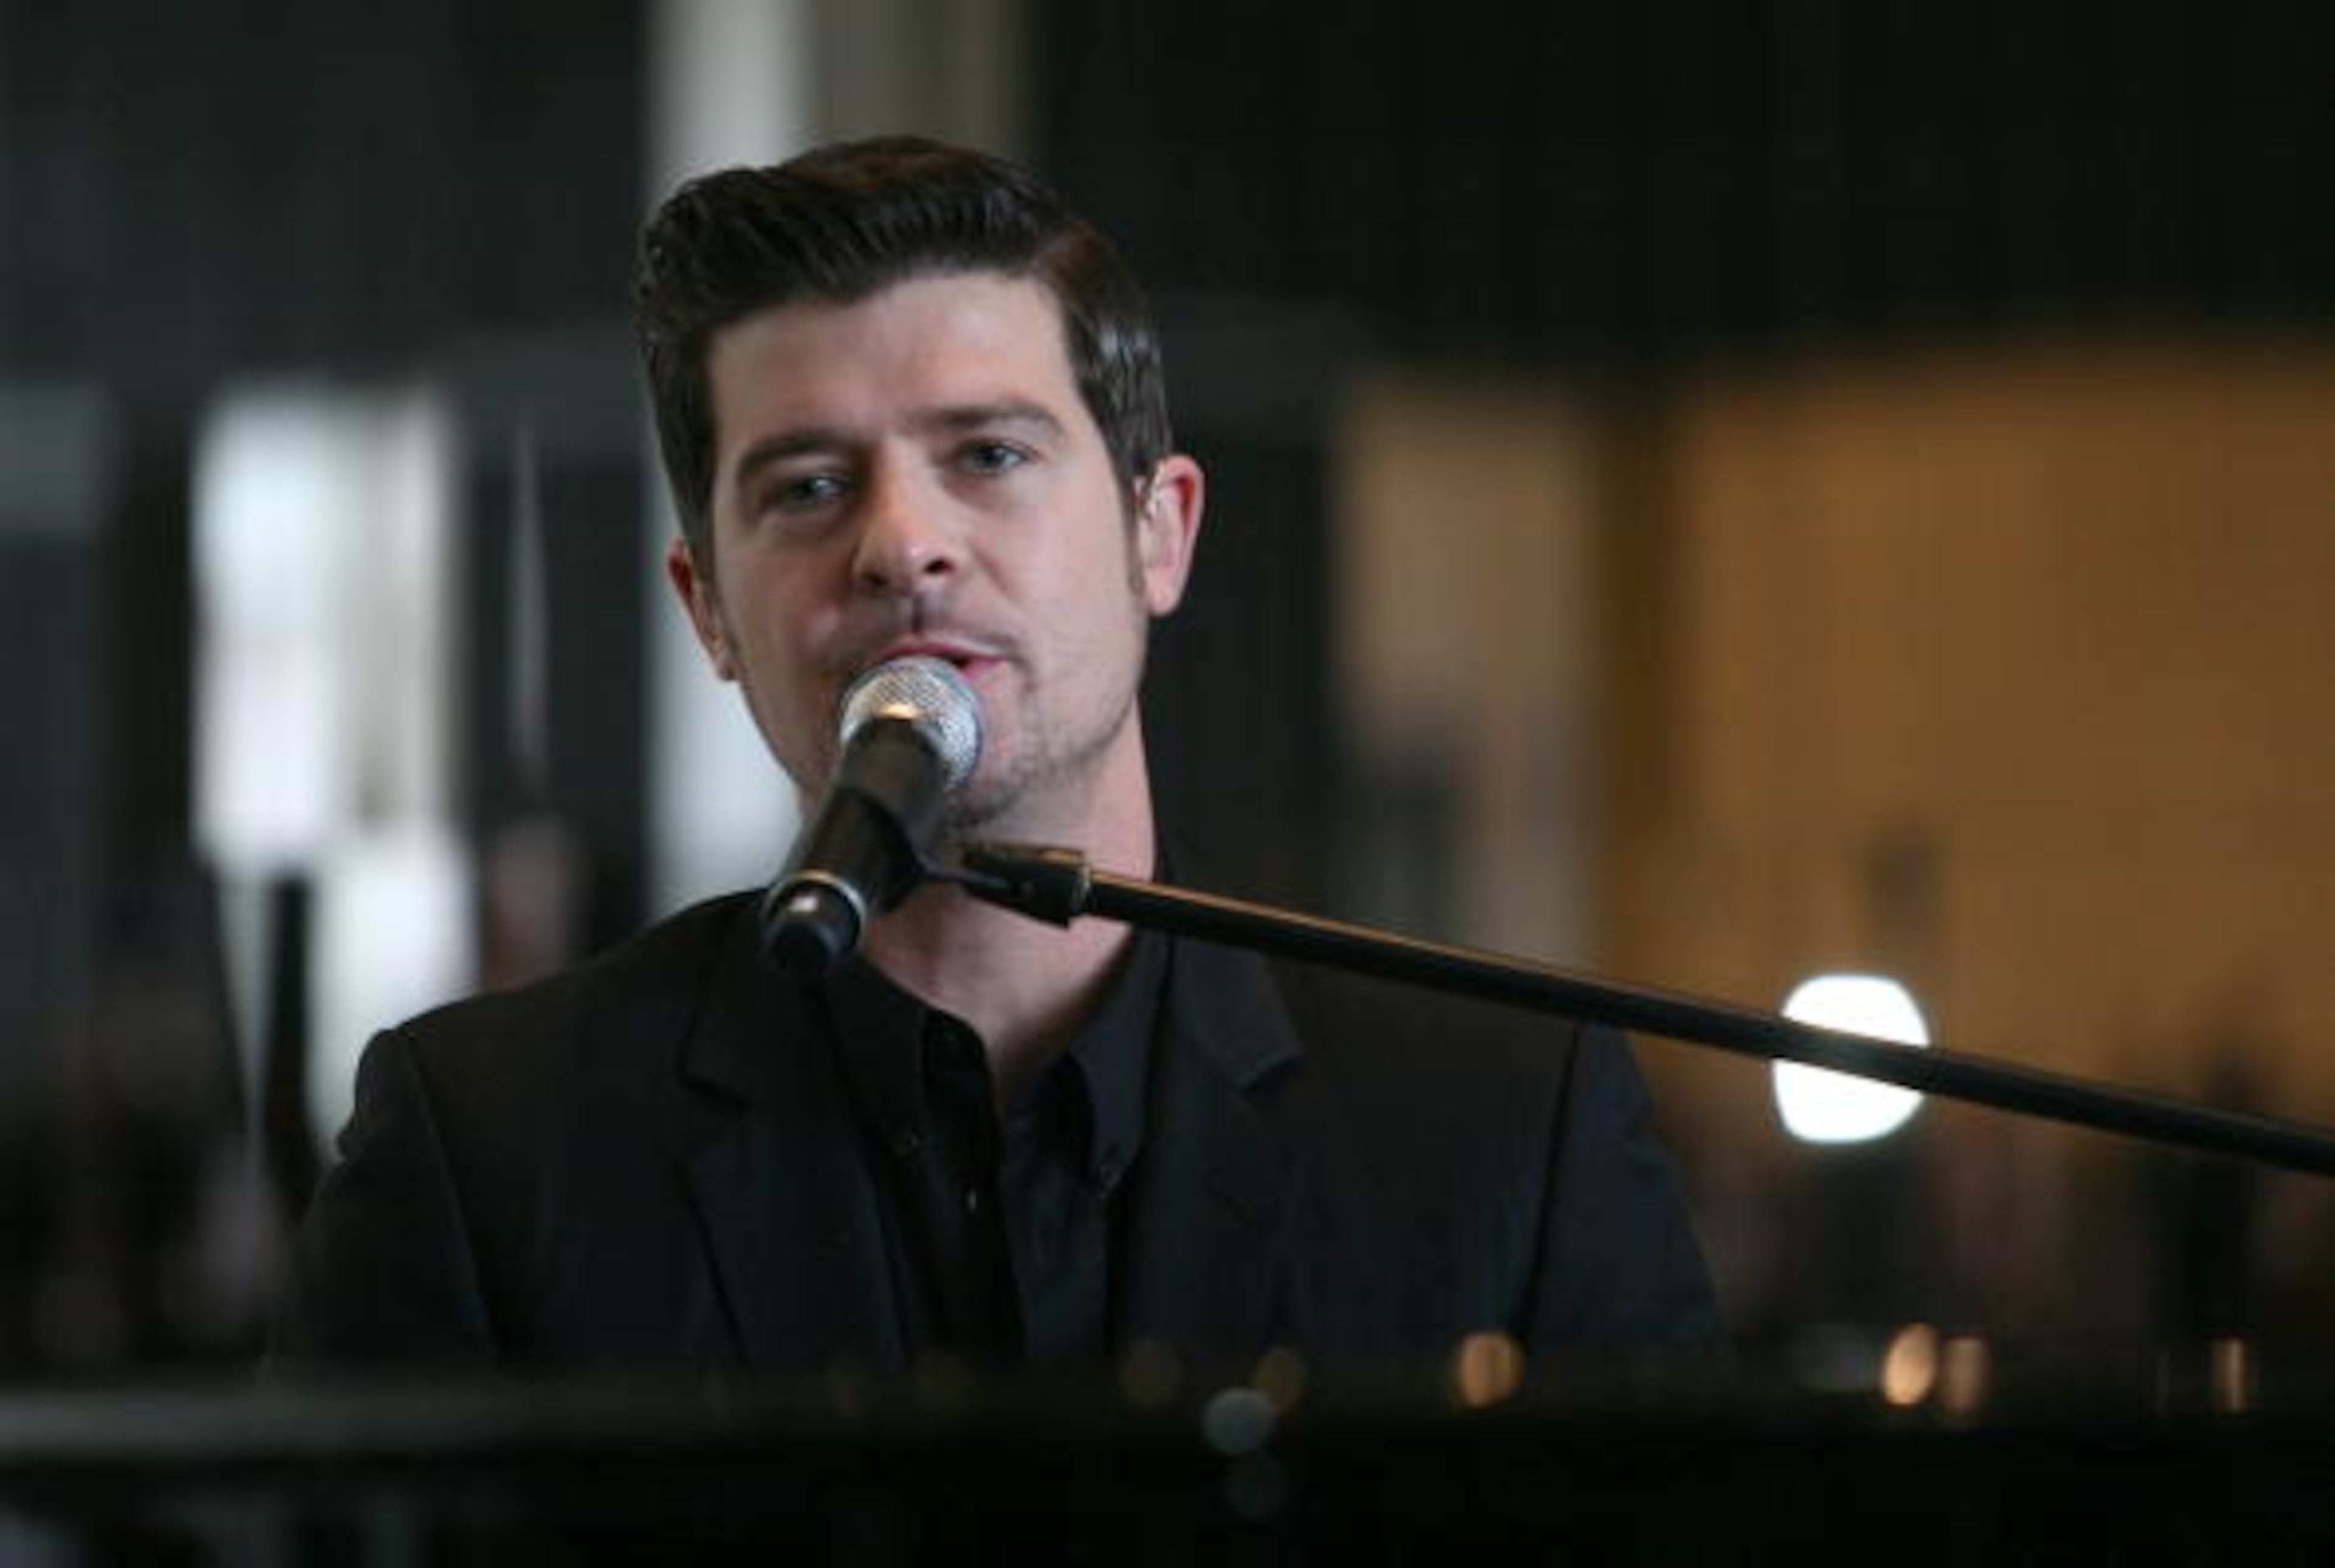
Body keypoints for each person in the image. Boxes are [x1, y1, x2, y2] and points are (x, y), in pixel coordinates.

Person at [272, 136, 1722, 1383]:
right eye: (809, 486)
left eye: (989, 455)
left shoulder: (1507, 1127)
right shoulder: (488, 1150)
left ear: (1162, 532)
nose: (904, 545)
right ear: (706, 607)